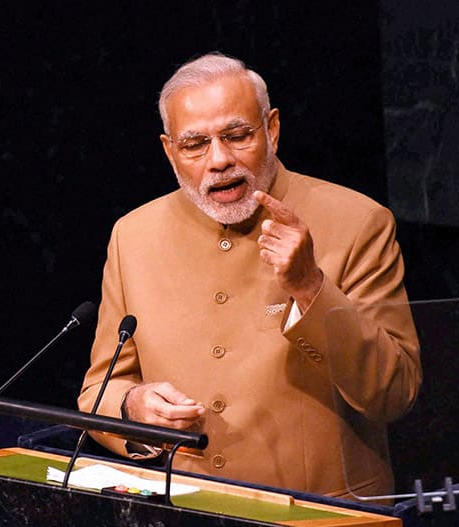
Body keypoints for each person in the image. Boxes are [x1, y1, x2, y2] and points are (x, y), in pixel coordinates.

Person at [78, 53, 422, 498]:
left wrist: (310, 286)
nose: (219, 159)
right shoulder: (133, 236)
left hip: (321, 525)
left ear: (272, 128)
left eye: (237, 135)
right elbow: (100, 391)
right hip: (186, 519)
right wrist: (133, 408)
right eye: (195, 144)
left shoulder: (359, 222)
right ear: (169, 150)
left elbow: (394, 392)